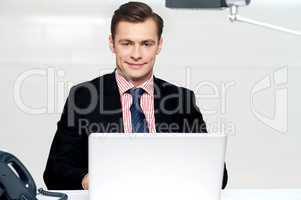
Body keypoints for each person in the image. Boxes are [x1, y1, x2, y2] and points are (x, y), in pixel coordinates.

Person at [43, 1, 228, 190]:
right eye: (127, 43)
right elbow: (54, 172)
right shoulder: (83, 97)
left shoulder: (182, 100)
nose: (136, 54)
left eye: (146, 44)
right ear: (112, 44)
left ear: (159, 45)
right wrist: (88, 179)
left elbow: (218, 175)